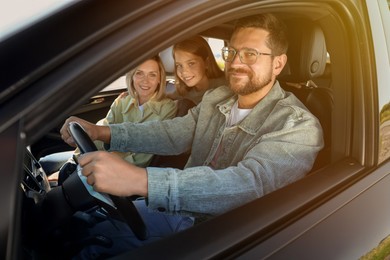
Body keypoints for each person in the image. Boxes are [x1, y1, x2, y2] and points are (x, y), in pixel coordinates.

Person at [60, 13, 324, 258]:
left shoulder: (298, 126)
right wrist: (101, 131)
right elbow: (174, 133)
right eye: (231, 51)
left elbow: (249, 184)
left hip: (223, 237)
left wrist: (143, 181)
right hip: (179, 211)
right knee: (87, 229)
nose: (235, 63)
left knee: (94, 251)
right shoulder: (216, 98)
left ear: (278, 63)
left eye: (250, 54)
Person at [40, 56, 177, 178]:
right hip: (98, 159)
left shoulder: (168, 108)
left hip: (118, 173)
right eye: (139, 73)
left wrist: (95, 165)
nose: (145, 81)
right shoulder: (122, 101)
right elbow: (101, 132)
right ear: (132, 76)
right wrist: (75, 160)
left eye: (152, 75)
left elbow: (142, 158)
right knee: (43, 163)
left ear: (160, 79)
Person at [167, 35, 226, 115]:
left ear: (206, 63)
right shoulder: (183, 92)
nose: (184, 72)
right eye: (179, 65)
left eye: (191, 63)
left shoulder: (224, 88)